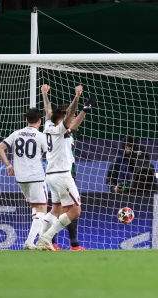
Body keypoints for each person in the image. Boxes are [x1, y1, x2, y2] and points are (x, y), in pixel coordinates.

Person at [36, 85, 97, 251]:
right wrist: (77, 98)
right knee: (75, 211)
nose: (71, 119)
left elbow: (49, 111)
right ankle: (47, 238)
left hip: (51, 175)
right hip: (62, 175)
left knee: (56, 209)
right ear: (60, 120)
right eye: (68, 118)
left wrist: (44, 95)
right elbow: (71, 116)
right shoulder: (60, 129)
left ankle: (42, 240)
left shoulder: (48, 126)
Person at [0, 108, 48, 250]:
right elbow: (49, 152)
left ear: (26, 120)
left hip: (21, 178)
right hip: (36, 177)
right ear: (39, 121)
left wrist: (8, 165)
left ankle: (42, 241)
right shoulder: (40, 136)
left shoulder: (16, 134)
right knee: (42, 209)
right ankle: (30, 242)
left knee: (36, 209)